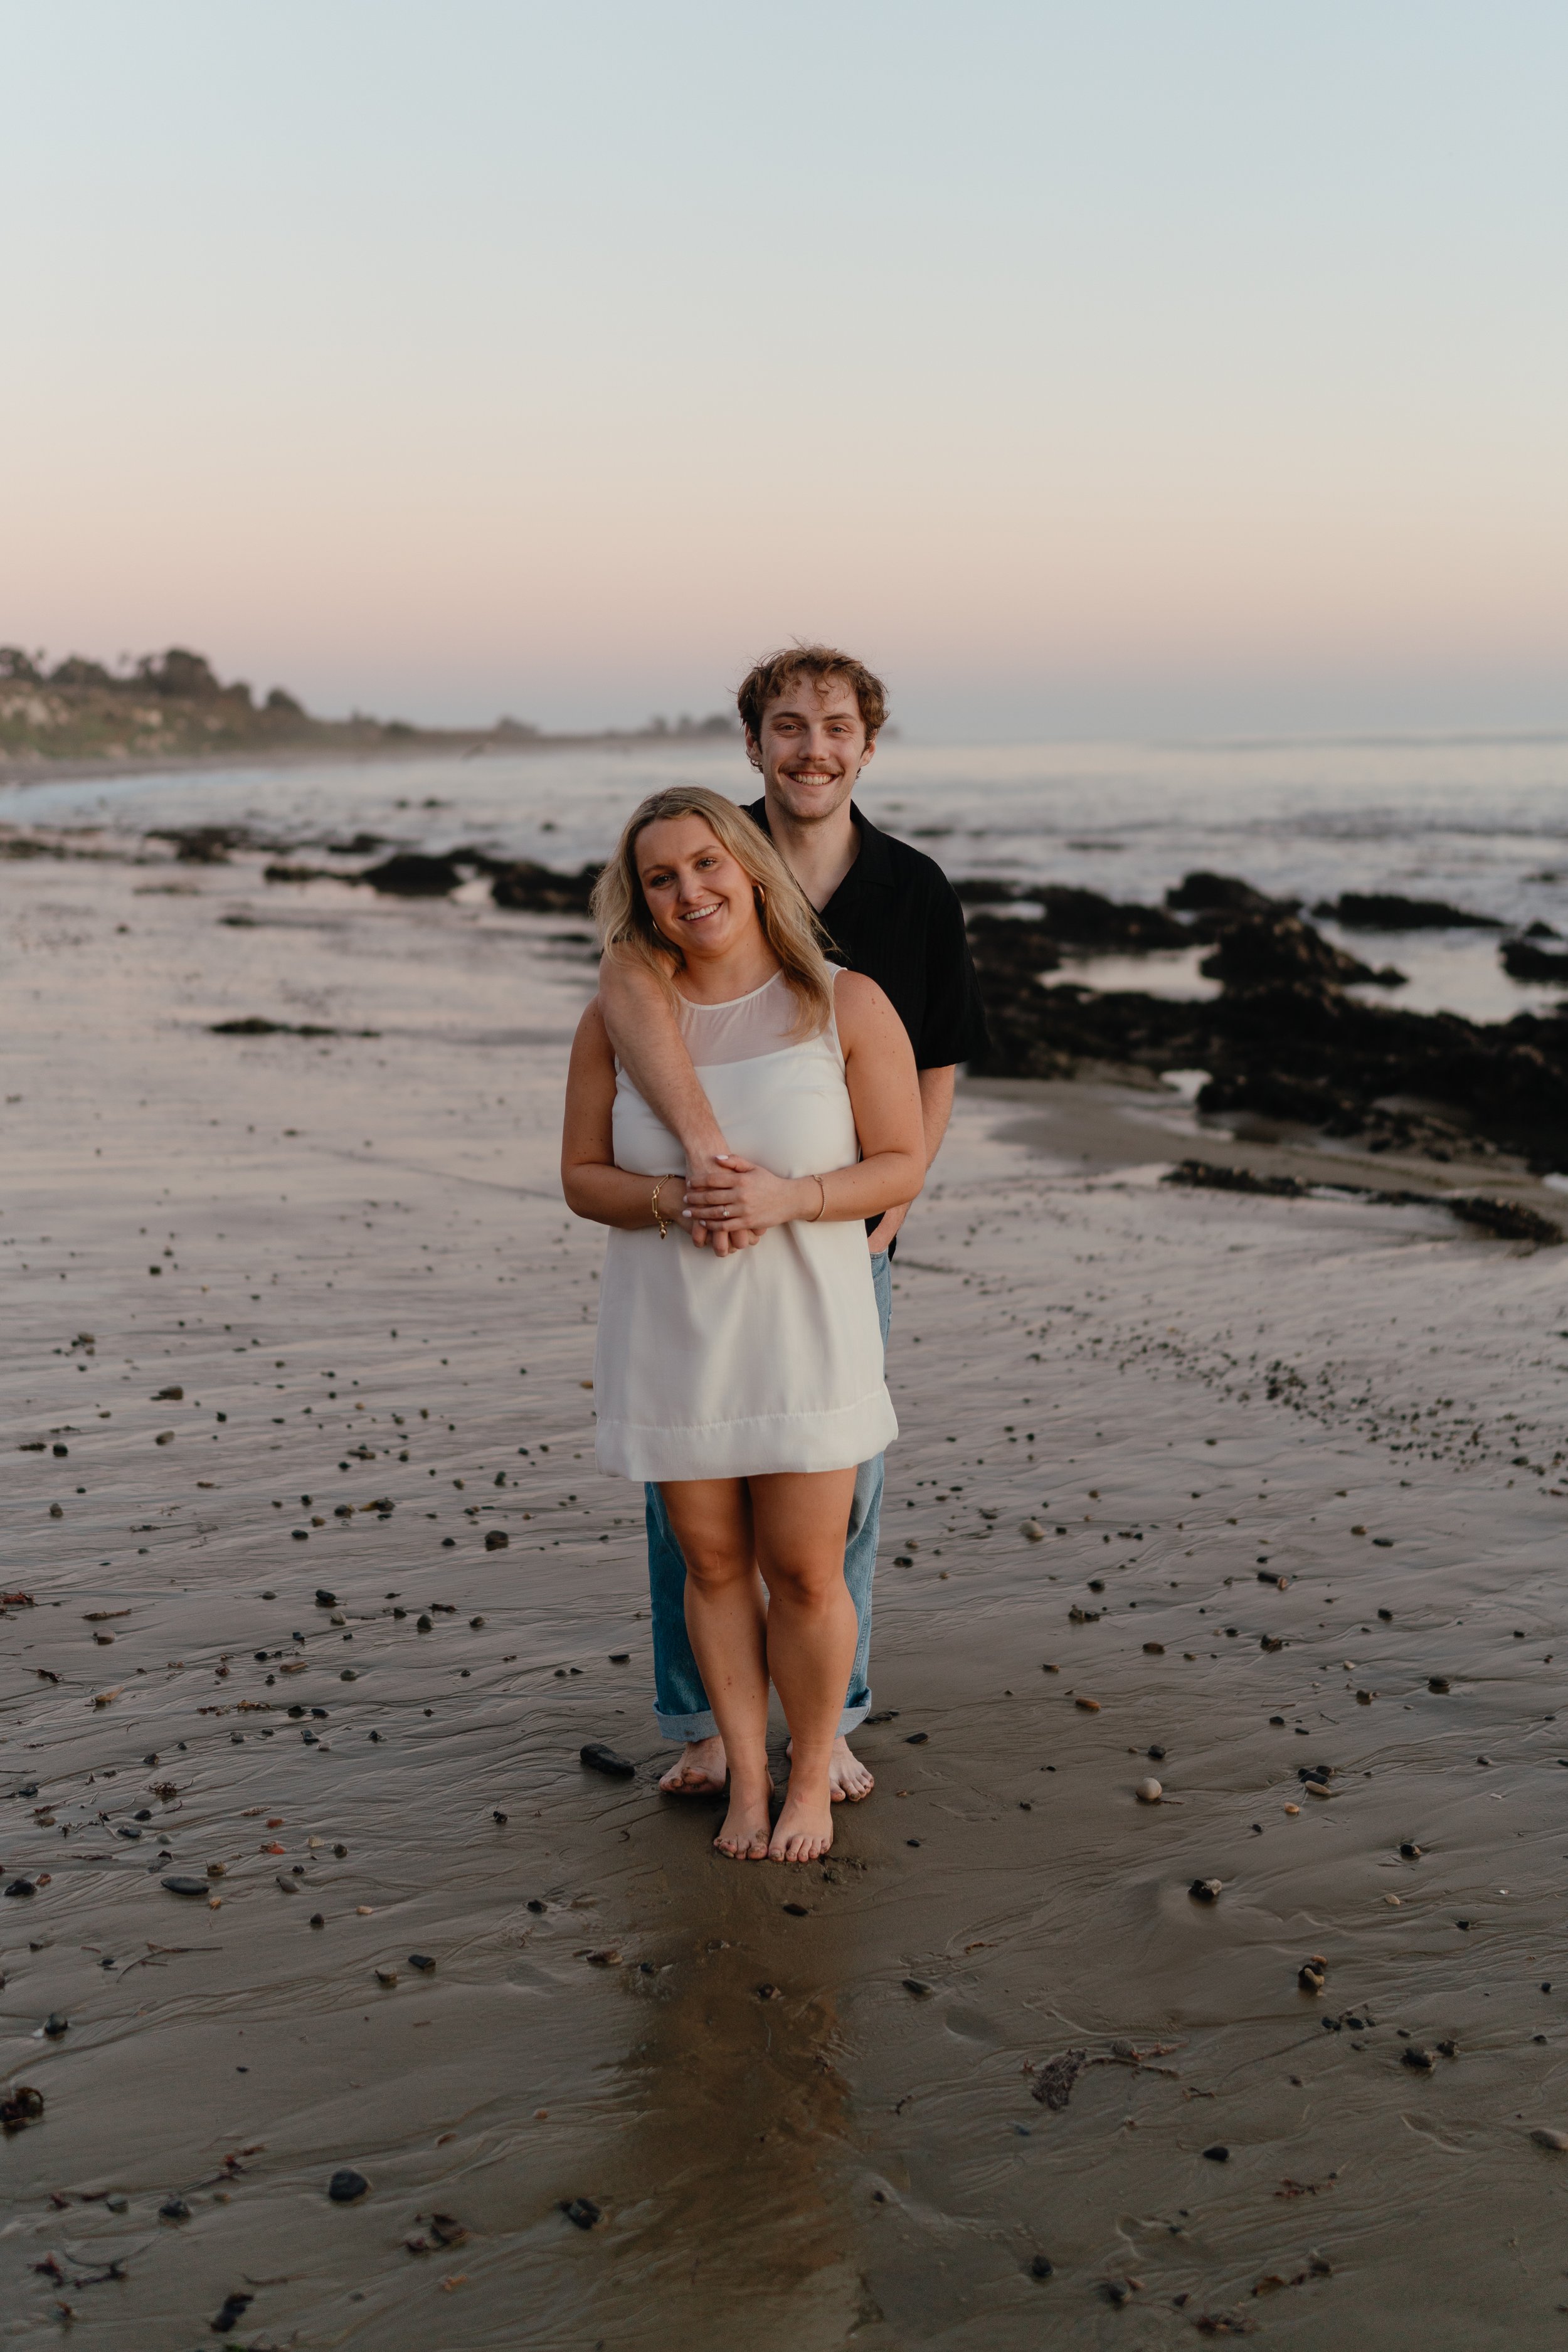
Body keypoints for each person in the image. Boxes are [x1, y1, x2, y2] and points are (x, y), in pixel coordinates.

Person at [596, 645, 987, 1801]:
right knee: (694, 1501)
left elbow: (935, 1060)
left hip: (842, 1231)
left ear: (867, 746)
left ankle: (833, 1718)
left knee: (836, 1494)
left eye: (834, 727)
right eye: (787, 726)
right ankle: (704, 1723)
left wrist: (894, 1198)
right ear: (754, 744)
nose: (812, 747)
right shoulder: (707, 859)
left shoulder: (910, 888)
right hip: (696, 1254)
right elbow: (623, 981)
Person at [561, 786, 925, 1862]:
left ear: (752, 866)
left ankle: (815, 1776)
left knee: (810, 1568)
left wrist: (787, 1198)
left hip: (808, 1321)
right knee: (710, 1566)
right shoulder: (618, 1016)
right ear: (640, 898)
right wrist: (679, 1198)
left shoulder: (845, 1002)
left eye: (707, 864)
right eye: (661, 877)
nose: (690, 891)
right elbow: (582, 1178)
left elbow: (902, 1160)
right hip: (675, 1323)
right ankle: (750, 1779)